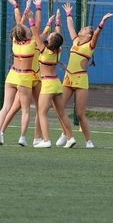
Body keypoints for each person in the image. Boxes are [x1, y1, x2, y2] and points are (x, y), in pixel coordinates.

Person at [60, 2, 112, 148]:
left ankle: (88, 141)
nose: (80, 29)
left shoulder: (89, 45)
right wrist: (68, 13)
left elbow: (96, 34)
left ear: (88, 35)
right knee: (59, 108)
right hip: (68, 79)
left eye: (84, 29)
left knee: (80, 114)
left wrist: (101, 23)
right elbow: (70, 27)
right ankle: (65, 134)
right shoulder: (76, 41)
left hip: (81, 80)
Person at [35, 10, 75, 148]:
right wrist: (57, 20)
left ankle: (46, 140)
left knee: (42, 113)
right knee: (62, 113)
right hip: (57, 83)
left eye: (51, 35)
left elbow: (35, 34)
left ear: (50, 41)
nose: (50, 34)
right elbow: (57, 35)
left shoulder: (44, 50)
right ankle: (70, 138)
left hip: (47, 84)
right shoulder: (58, 51)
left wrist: (41, 21)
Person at [0, 20, 37, 146]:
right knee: (26, 110)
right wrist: (33, 16)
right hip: (24, 77)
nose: (29, 28)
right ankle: (22, 137)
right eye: (27, 28)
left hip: (12, 75)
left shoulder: (14, 41)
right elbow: (37, 29)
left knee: (6, 106)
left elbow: (18, 28)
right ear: (26, 34)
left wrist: (23, 13)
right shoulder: (33, 42)